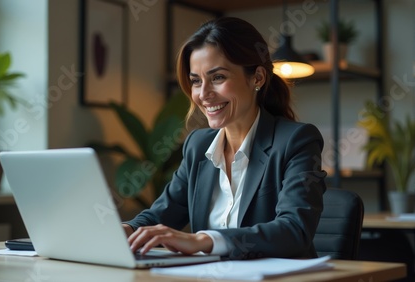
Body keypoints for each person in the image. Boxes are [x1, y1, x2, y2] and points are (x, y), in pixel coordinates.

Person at [122, 17, 327, 260]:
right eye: (196, 81)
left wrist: (204, 240)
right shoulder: (198, 146)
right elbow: (160, 214)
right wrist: (127, 230)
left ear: (257, 78)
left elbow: (294, 230)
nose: (203, 94)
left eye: (218, 77)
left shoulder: (297, 141)